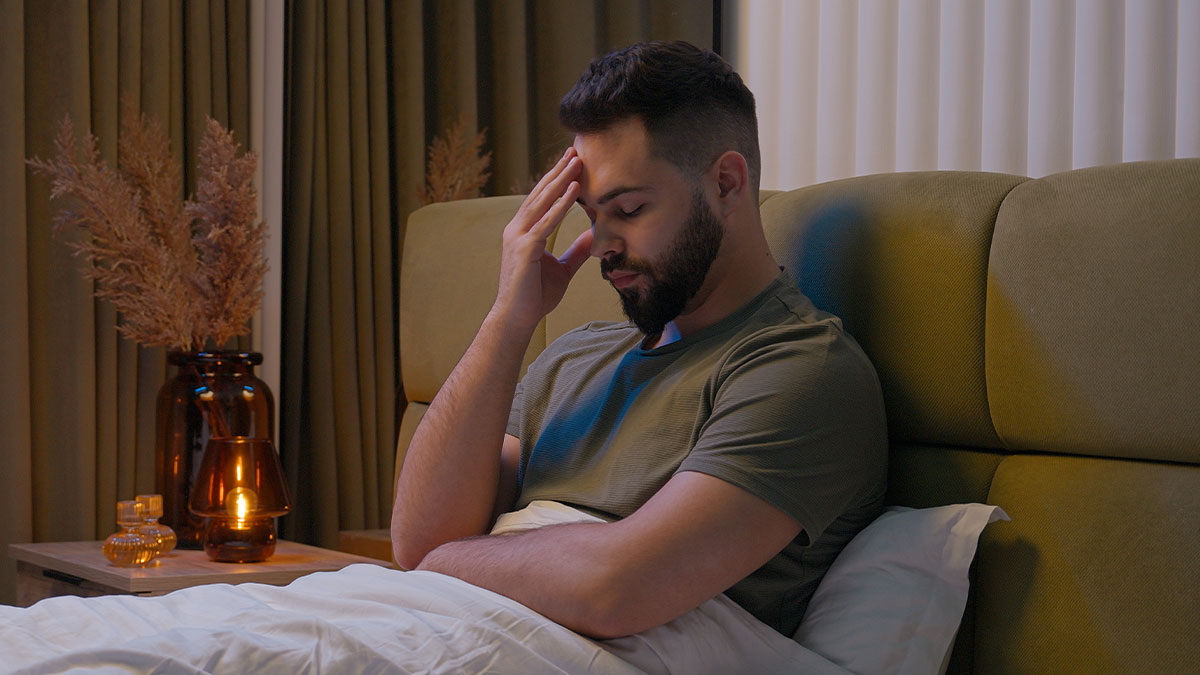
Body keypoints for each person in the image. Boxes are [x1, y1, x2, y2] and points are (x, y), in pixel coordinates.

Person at [390, 41, 886, 641]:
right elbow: (417, 537)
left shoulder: (800, 370)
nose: (600, 245)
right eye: (589, 215)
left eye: (627, 209)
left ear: (726, 183)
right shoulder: (572, 358)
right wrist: (508, 319)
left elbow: (613, 590)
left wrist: (445, 561)